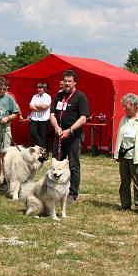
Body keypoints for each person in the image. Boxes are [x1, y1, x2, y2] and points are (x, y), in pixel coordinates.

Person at [50, 69, 90, 202]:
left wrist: (70, 130)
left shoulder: (80, 97)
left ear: (75, 82)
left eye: (69, 81)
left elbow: (83, 118)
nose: (67, 83)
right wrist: (56, 127)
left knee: (73, 165)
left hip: (74, 136)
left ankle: (72, 193)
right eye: (65, 81)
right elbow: (52, 114)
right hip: (59, 135)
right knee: (56, 163)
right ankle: (54, 188)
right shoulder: (58, 96)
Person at [113, 93, 138, 211]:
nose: (125, 109)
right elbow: (119, 137)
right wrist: (117, 153)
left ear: (135, 106)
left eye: (127, 106)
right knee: (124, 182)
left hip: (137, 157)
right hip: (124, 156)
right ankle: (125, 205)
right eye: (124, 106)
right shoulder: (123, 120)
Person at [28, 83, 51, 148]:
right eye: (38, 88)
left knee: (42, 136)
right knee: (33, 132)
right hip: (34, 118)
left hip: (44, 119)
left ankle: (42, 154)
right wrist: (39, 108)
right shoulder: (35, 96)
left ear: (44, 89)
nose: (38, 89)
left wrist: (36, 105)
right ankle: (43, 147)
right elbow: (30, 106)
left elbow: (44, 106)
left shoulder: (48, 97)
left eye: (40, 88)